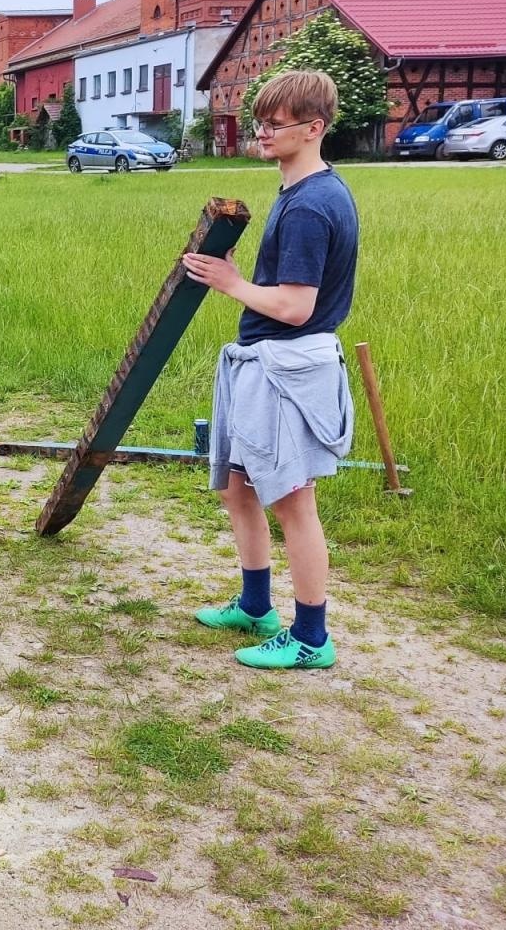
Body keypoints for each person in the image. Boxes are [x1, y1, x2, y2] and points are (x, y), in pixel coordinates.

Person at [183, 70, 358, 670]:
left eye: (275, 124)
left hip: (289, 368)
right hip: (264, 362)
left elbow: (295, 306)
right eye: (259, 121)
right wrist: (240, 276)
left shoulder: (311, 205)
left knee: (291, 500)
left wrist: (232, 284)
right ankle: (256, 605)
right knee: (239, 486)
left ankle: (311, 637)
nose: (261, 132)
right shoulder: (300, 191)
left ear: (314, 128)